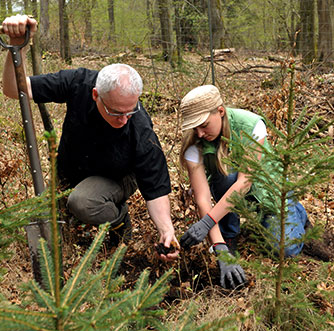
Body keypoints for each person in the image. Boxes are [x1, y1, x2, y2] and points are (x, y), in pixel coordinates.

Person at [1, 14, 179, 261]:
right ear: (96, 94)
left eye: (131, 111)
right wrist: (15, 46)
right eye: (116, 112)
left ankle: (118, 220)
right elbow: (14, 89)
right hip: (72, 171)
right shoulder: (78, 83)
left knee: (83, 202)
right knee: (49, 216)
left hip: (117, 177)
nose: (125, 119)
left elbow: (155, 185)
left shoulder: (139, 126)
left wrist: (166, 230)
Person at [179, 85, 309, 289]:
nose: (200, 133)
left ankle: (296, 210)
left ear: (220, 111)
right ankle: (228, 235)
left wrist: (206, 223)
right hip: (231, 190)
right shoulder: (194, 144)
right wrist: (219, 247)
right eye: (194, 128)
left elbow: (245, 181)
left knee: (284, 250)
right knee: (224, 175)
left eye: (204, 125)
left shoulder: (251, 124)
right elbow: (203, 198)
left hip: (269, 190)